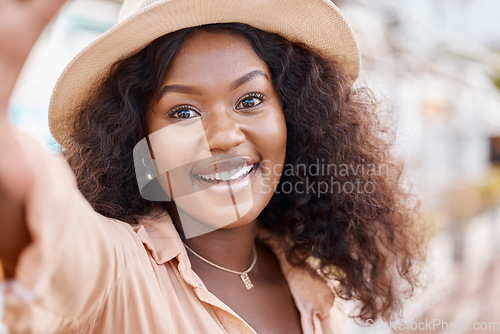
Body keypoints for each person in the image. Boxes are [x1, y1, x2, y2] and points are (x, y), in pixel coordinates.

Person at [0, 0, 424, 333]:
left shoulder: (313, 287)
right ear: (139, 139)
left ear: (293, 116)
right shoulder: (116, 273)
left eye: (250, 100)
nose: (223, 136)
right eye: (183, 111)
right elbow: (33, 214)